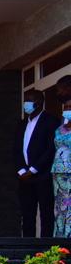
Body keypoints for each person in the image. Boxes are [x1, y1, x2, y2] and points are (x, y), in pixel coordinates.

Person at [16, 90, 59, 237]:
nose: (25, 104)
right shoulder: (22, 123)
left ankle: (46, 246)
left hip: (43, 175)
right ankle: (28, 246)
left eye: (29, 100)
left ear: (38, 102)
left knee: (46, 214)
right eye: (25, 100)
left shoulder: (51, 121)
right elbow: (16, 148)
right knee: (27, 214)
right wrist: (22, 170)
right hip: (24, 177)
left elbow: (50, 149)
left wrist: (34, 169)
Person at [55, 94, 71, 236]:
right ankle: (61, 239)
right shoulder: (59, 129)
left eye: (70, 107)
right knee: (61, 206)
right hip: (59, 173)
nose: (67, 110)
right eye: (65, 107)